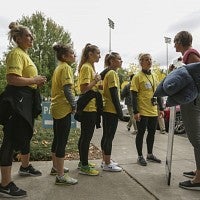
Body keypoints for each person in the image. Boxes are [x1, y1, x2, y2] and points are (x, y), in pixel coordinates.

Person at [0, 22, 47, 198]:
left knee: (24, 134)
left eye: (32, 35)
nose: (31, 38)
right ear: (18, 38)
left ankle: (25, 167)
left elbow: (25, 79)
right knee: (10, 140)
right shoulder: (15, 54)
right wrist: (34, 79)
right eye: (28, 35)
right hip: (16, 100)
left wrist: (36, 81)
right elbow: (12, 79)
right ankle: (4, 184)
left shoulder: (24, 54)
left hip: (25, 99)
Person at [173, 31, 200, 190]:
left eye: (175, 42)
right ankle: (198, 170)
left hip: (193, 100)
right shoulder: (188, 55)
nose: (174, 45)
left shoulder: (190, 54)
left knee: (196, 139)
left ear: (180, 41)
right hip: (193, 99)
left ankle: (199, 179)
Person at [50, 43, 78, 185]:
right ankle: (61, 176)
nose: (75, 55)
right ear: (64, 56)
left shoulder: (58, 67)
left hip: (56, 108)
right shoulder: (66, 68)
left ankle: (55, 167)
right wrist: (74, 105)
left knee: (57, 139)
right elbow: (68, 90)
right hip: (63, 109)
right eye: (72, 53)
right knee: (62, 141)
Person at [130, 53, 164, 166]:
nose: (149, 61)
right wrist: (135, 111)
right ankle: (140, 156)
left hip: (153, 111)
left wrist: (161, 108)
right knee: (141, 133)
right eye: (146, 60)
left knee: (152, 134)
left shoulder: (154, 76)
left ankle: (150, 155)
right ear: (141, 62)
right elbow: (133, 95)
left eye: (150, 59)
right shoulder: (137, 77)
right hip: (142, 111)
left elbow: (158, 93)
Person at [77, 43, 102, 176]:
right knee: (86, 137)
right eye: (97, 53)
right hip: (88, 108)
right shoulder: (86, 67)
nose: (99, 56)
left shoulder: (89, 67)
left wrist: (97, 83)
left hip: (91, 107)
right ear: (90, 54)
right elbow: (83, 89)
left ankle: (82, 162)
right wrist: (96, 80)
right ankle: (84, 166)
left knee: (84, 137)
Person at [100, 52, 123, 172]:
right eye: (119, 59)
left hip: (107, 110)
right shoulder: (112, 73)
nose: (121, 61)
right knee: (109, 137)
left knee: (106, 136)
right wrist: (120, 113)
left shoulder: (108, 73)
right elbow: (114, 95)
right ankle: (107, 163)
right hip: (111, 110)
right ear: (112, 61)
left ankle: (105, 160)